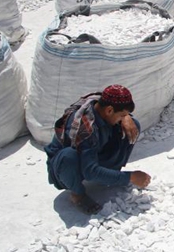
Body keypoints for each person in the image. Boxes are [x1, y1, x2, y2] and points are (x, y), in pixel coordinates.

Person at [45, 85, 151, 214]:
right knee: (69, 157)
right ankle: (78, 195)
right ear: (109, 111)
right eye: (121, 115)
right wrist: (130, 177)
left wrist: (126, 117)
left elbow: (116, 109)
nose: (122, 118)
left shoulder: (101, 102)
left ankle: (110, 173)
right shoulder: (85, 129)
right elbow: (90, 171)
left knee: (133, 126)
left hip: (92, 150)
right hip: (64, 166)